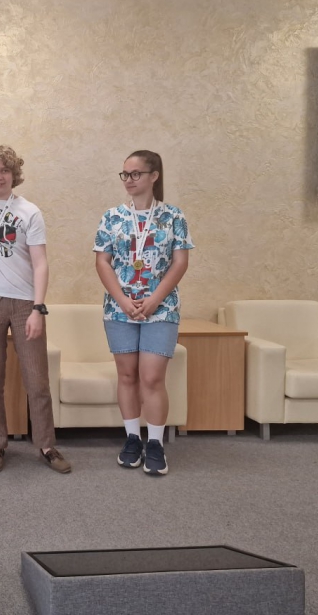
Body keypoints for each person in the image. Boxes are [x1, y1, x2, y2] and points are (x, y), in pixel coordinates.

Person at [0, 146, 71, 474]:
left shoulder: (30, 212)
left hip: (25, 303)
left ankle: (46, 445)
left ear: (14, 175)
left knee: (37, 380)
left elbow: (41, 263)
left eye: (5, 171)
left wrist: (38, 308)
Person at [93, 150, 193, 476]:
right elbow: (102, 262)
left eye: (135, 173)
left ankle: (156, 443)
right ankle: (132, 439)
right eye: (125, 174)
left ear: (154, 176)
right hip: (119, 308)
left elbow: (180, 263)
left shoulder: (173, 216)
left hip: (161, 308)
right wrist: (122, 300)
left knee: (152, 377)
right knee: (127, 376)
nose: (129, 180)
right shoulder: (112, 217)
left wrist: (153, 300)